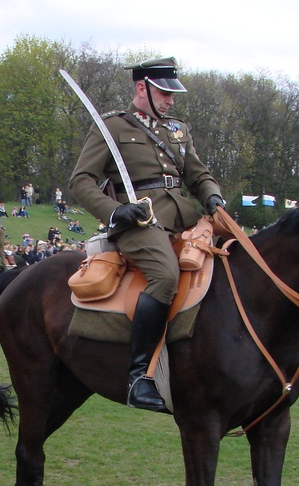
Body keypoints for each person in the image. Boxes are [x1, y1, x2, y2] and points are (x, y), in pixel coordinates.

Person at [69, 57, 225, 413]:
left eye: (172, 93)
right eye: (163, 92)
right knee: (165, 275)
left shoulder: (177, 129)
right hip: (140, 220)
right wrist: (114, 211)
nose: (170, 100)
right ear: (142, 88)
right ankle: (140, 377)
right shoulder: (112, 128)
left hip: (184, 214)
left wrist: (212, 196)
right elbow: (81, 181)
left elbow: (197, 175)